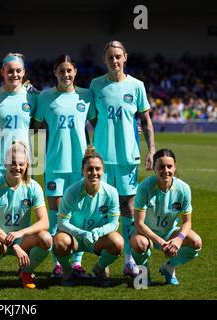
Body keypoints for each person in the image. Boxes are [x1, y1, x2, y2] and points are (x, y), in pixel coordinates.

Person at [89, 40, 156, 277]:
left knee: (128, 208)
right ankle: (105, 260)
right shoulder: (96, 85)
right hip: (103, 160)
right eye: (110, 57)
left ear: (125, 57)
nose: (114, 60)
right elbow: (93, 119)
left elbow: (146, 121)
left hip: (128, 157)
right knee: (104, 208)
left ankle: (128, 260)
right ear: (104, 60)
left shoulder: (137, 86)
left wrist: (151, 150)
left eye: (118, 56)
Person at [33, 54, 95, 279]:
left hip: (80, 166)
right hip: (55, 165)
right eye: (61, 71)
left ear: (75, 71)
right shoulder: (45, 97)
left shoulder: (86, 96)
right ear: (55, 72)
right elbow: (37, 128)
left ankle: (77, 263)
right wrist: (35, 158)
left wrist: (93, 147)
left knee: (76, 215)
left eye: (69, 70)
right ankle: (58, 264)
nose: (66, 75)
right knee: (55, 216)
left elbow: (99, 125)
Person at [0, 141, 51, 289]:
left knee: (46, 238)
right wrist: (16, 247)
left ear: (26, 165)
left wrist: (20, 233)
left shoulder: (33, 187)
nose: (17, 168)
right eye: (13, 163)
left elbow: (44, 222)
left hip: (22, 239)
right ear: (5, 163)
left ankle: (26, 272)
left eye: (21, 164)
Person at [53, 146, 123, 287]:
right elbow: (62, 223)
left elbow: (114, 223)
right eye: (89, 169)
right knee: (59, 241)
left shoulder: (112, 192)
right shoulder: (71, 192)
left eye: (98, 169)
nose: (94, 173)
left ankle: (99, 269)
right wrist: (82, 233)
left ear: (103, 171)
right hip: (75, 239)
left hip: (98, 240)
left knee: (117, 242)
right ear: (82, 171)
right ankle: (67, 272)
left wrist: (98, 232)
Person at [131, 149, 202, 286]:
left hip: (169, 233)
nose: (166, 170)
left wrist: (179, 240)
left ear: (175, 167)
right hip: (146, 234)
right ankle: (143, 272)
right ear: (154, 168)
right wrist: (162, 242)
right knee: (139, 244)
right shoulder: (144, 187)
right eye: (161, 167)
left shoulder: (184, 189)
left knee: (196, 242)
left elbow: (187, 222)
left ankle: (169, 267)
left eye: (169, 166)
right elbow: (139, 224)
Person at [0, 53, 38, 182]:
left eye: (18, 71)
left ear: (24, 72)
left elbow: (37, 127)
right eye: (10, 71)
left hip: (23, 162)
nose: (14, 75)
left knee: (22, 202)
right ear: (2, 71)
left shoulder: (33, 97)